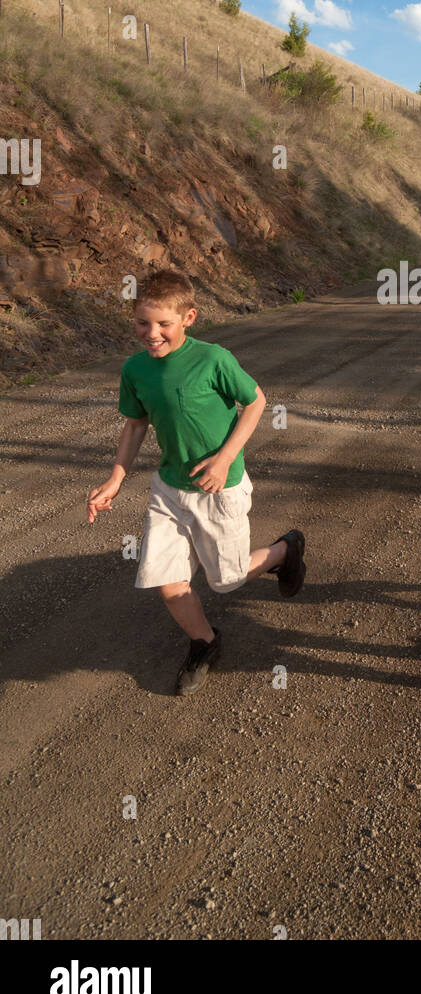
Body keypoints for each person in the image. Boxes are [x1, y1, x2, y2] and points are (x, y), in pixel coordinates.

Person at [87, 269, 305, 695]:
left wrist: (225, 459)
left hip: (218, 489)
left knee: (227, 579)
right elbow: (135, 425)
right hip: (169, 490)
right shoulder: (135, 370)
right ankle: (204, 642)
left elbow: (256, 400)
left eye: (163, 324)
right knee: (167, 583)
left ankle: (285, 549)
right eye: (142, 323)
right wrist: (115, 477)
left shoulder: (213, 360)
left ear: (189, 317)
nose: (152, 334)